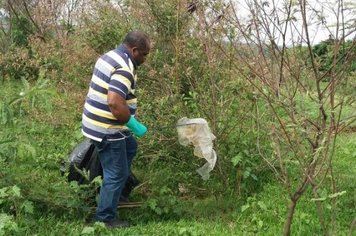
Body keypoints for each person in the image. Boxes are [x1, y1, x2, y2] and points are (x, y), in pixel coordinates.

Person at [81, 31, 151, 228]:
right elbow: (114, 103)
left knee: (130, 147)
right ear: (134, 50)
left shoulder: (109, 55)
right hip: (108, 129)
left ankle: (115, 193)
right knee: (117, 172)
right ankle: (105, 218)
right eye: (144, 54)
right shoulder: (124, 68)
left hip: (94, 123)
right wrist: (134, 124)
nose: (145, 59)